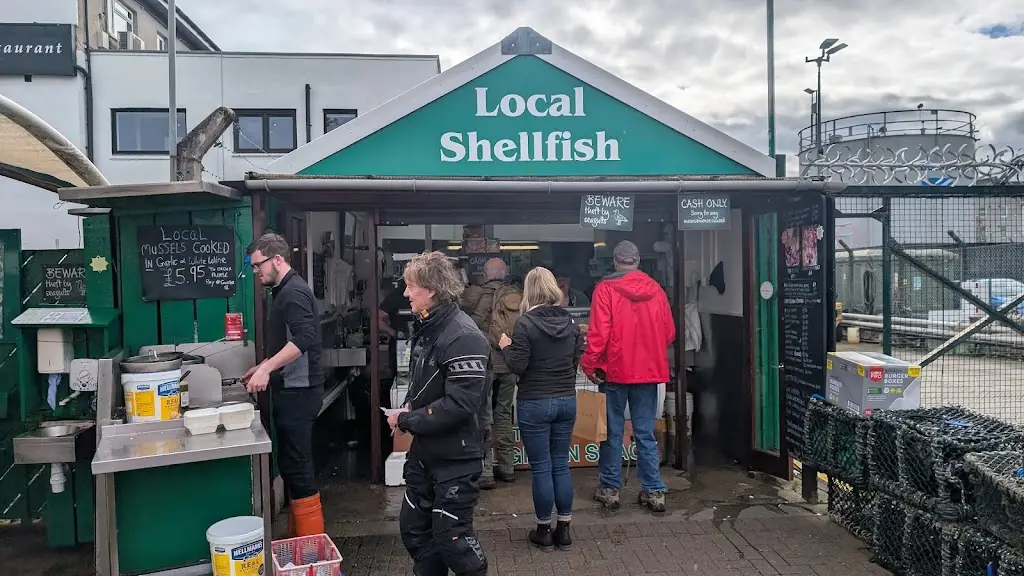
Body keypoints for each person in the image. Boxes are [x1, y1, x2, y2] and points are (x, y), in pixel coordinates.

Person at [388, 251, 490, 576]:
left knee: (454, 541)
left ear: (430, 289)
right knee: (415, 531)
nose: (405, 293)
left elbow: (461, 404)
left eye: (410, 286)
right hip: (426, 454)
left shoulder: (463, 335)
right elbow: (426, 384)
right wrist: (408, 407)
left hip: (456, 460)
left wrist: (407, 420)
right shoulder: (430, 326)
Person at [581, 240, 676, 513]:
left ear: (614, 262)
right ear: (637, 261)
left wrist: (589, 365)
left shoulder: (605, 290)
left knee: (612, 432)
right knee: (645, 433)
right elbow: (669, 333)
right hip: (648, 372)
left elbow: (598, 335)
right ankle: (654, 491)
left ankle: (610, 490)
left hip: (615, 371)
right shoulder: (656, 290)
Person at [243, 233, 325, 536]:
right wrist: (263, 367)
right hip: (291, 388)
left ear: (277, 259)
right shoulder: (283, 290)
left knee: (298, 465)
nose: (257, 273)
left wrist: (267, 367)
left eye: (258, 266)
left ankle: (311, 546)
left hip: (300, 393)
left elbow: (305, 338)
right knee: (292, 465)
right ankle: (299, 539)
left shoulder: (294, 293)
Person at [499, 266, 583, 551]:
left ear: (529, 291)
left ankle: (543, 530)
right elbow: (575, 362)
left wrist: (505, 347)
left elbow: (517, 366)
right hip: (566, 400)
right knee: (561, 464)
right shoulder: (572, 322)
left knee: (542, 467)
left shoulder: (525, 324)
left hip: (534, 402)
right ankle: (565, 530)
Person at [461, 257, 522, 488]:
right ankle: (507, 468)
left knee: (482, 416)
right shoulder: (514, 295)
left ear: (486, 274)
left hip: (483, 365)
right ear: (505, 273)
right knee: (504, 413)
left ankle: (485, 471)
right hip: (507, 363)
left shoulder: (474, 294)